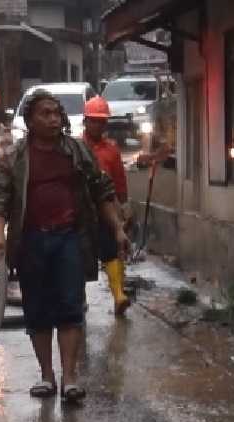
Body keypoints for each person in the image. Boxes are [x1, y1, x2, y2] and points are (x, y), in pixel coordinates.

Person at [0, 89, 129, 404]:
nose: (53, 119)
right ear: (29, 121)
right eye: (45, 114)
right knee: (36, 310)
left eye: (56, 113)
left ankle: (69, 379)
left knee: (69, 307)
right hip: (31, 239)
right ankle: (46, 376)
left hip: (69, 237)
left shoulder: (76, 152)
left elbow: (102, 189)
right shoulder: (15, 157)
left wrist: (117, 228)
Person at [81, 96, 133, 317]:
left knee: (112, 250)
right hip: (81, 209)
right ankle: (80, 300)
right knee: (79, 253)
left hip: (107, 209)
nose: (98, 125)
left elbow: (119, 180)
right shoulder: (76, 147)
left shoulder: (111, 150)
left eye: (102, 121)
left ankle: (119, 296)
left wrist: (124, 205)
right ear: (85, 121)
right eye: (94, 120)